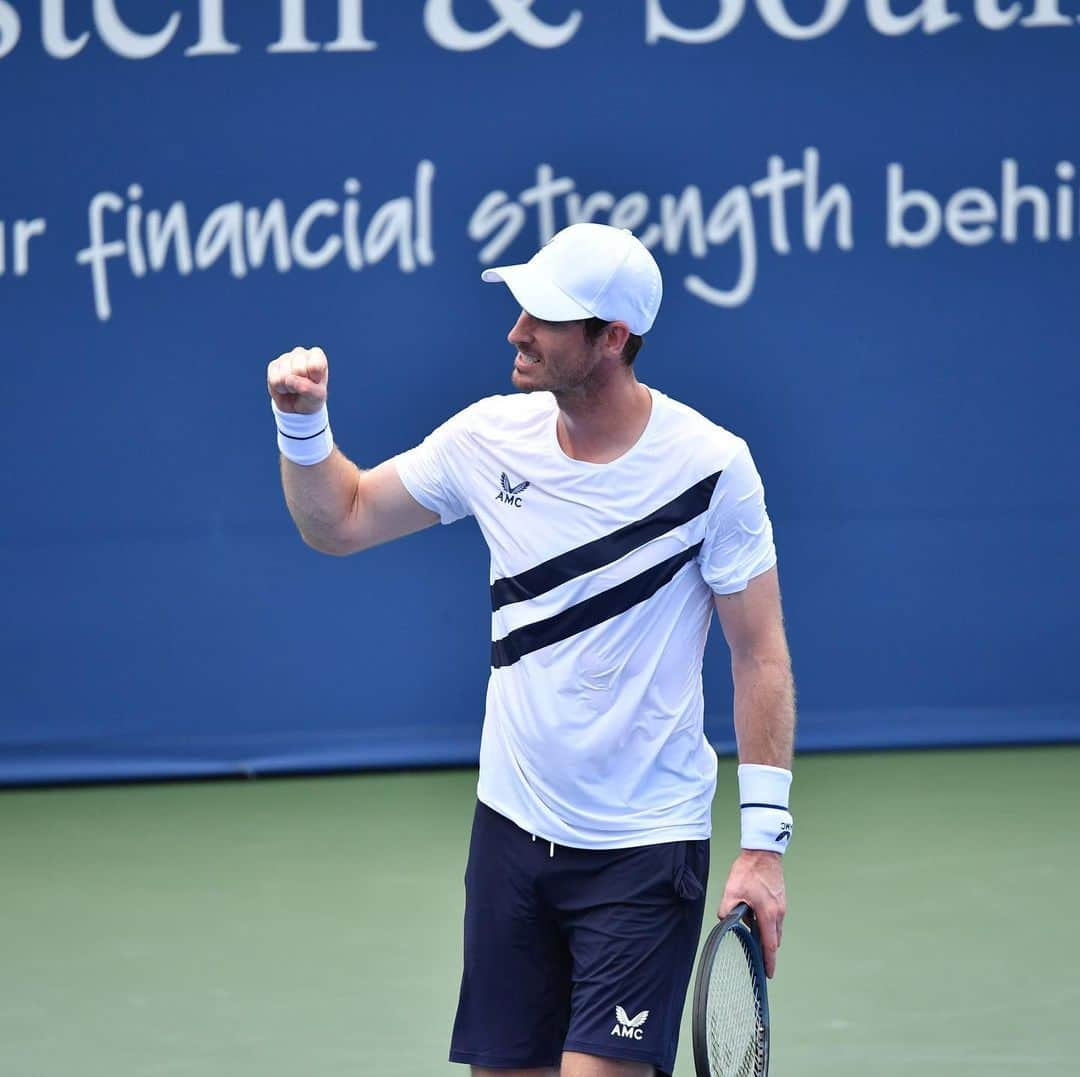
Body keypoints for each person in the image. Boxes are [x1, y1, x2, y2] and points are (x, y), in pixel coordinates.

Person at [266, 223, 796, 1077]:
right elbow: (344, 517)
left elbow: (760, 653)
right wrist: (303, 425)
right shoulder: (488, 438)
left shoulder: (714, 469)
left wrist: (763, 846)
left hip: (644, 848)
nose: (516, 330)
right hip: (511, 835)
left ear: (612, 339)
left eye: (544, 316)